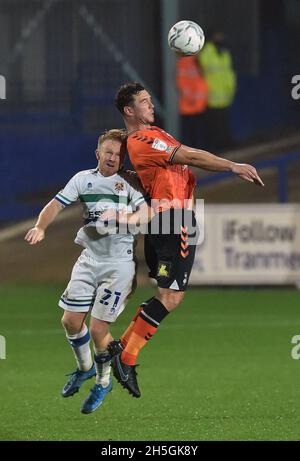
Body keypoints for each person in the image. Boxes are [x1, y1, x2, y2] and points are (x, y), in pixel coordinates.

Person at [107, 82, 264, 399]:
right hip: (174, 221)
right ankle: (125, 356)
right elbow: (190, 156)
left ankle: (121, 351)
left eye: (151, 100)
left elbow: (156, 172)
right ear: (129, 110)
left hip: (164, 220)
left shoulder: (153, 136)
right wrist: (232, 165)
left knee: (165, 295)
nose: (151, 105)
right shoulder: (143, 138)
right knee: (171, 297)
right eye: (144, 102)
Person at [24, 128, 148, 414]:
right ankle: (85, 369)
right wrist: (40, 226)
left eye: (118, 154)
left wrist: (124, 216)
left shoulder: (127, 183)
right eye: (109, 152)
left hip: (118, 265)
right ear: (98, 153)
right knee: (70, 321)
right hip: (90, 259)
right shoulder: (83, 179)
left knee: (97, 329)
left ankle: (103, 382)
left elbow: (148, 214)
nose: (113, 158)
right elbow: (56, 204)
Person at [198, 30, 237, 151]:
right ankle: (214, 147)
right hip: (212, 95)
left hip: (225, 95)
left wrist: (231, 87)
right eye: (217, 35)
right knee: (214, 124)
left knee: (224, 122)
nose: (220, 38)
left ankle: (225, 143)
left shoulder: (224, 52)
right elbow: (204, 68)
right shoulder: (206, 53)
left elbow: (227, 71)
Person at [176, 55, 208, 148]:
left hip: (199, 106)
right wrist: (190, 98)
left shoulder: (198, 60)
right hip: (189, 106)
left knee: (198, 136)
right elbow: (181, 82)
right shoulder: (185, 62)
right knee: (190, 137)